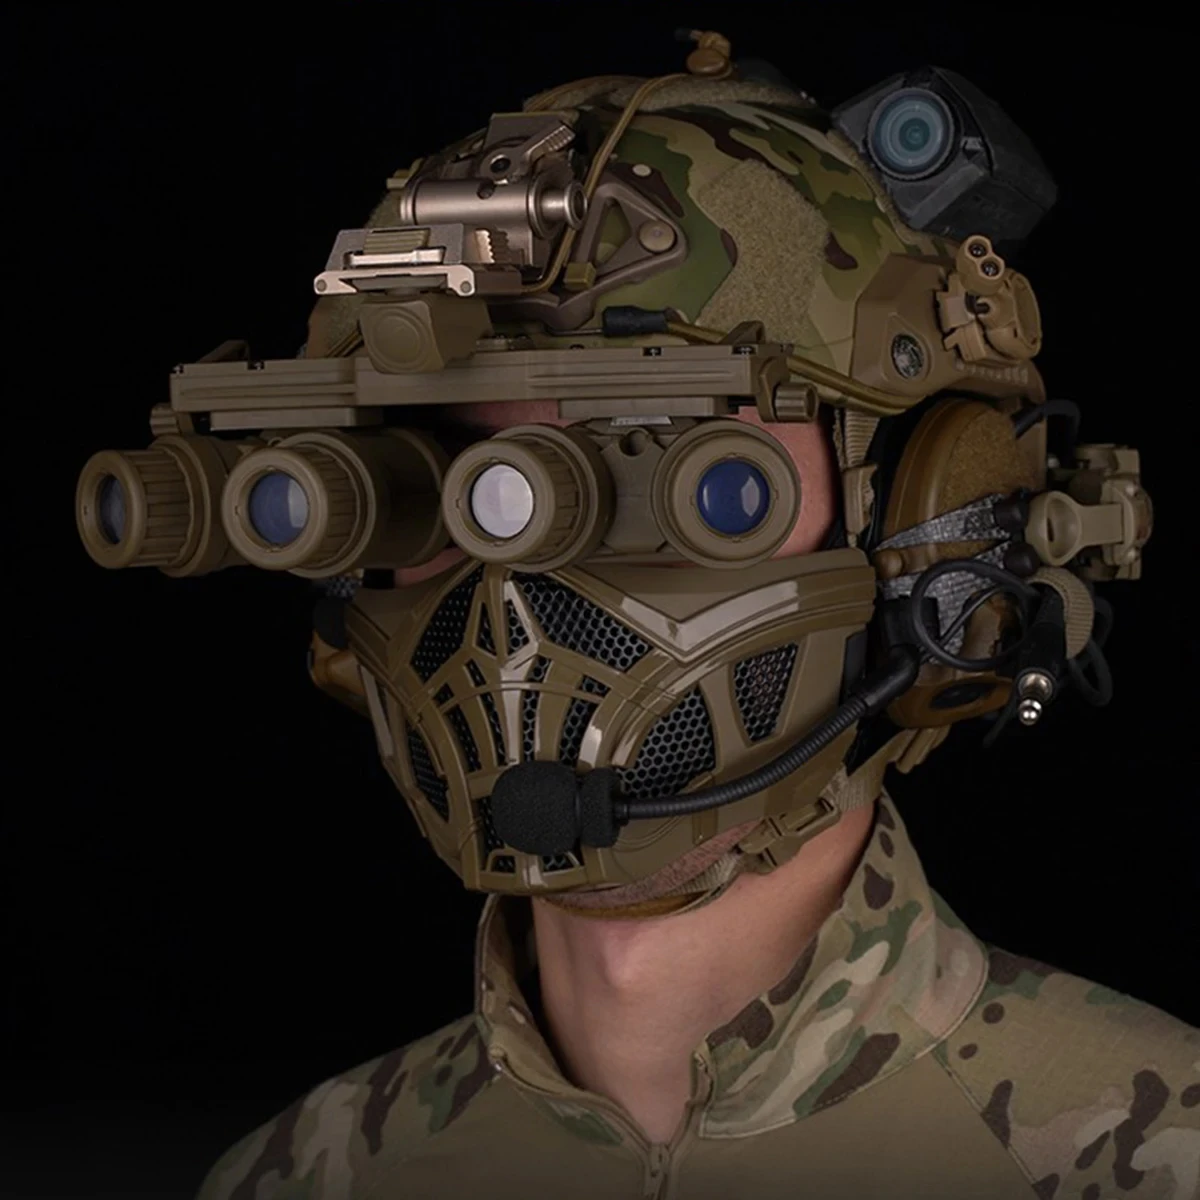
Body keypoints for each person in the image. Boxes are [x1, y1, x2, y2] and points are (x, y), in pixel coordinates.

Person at [181, 44, 1197, 1200]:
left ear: (932, 526)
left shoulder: (1151, 1156)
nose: (521, 584)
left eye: (683, 472)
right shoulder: (300, 1179)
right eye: (437, 473)